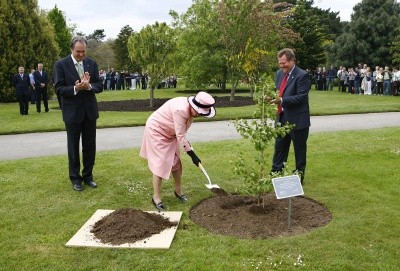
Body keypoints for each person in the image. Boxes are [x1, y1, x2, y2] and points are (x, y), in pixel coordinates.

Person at [140, 91, 216, 211]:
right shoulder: (180, 110)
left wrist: (191, 151)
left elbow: (181, 134)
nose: (198, 115)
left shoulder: (190, 110)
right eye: (198, 112)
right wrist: (193, 155)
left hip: (171, 133)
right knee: (160, 164)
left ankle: (178, 191)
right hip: (157, 131)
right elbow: (181, 136)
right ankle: (156, 197)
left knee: (176, 163)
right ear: (193, 105)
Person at [53, 36, 103, 191]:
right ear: (71, 49)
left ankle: (88, 176)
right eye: (78, 52)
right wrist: (76, 88)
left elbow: (99, 86)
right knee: (73, 147)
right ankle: (75, 179)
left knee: (89, 146)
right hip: (72, 113)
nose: (81, 54)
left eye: (83, 51)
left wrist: (88, 86)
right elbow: (59, 89)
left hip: (89, 112)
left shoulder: (91, 63)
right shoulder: (61, 64)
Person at [269, 48, 311, 184]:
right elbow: (278, 91)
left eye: (284, 63)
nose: (282, 66)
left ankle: (299, 176)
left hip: (298, 120)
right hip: (281, 117)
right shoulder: (279, 74)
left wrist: (281, 100)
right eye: (280, 63)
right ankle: (276, 173)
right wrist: (271, 96)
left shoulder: (302, 75)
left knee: (299, 150)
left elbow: (301, 98)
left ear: (293, 60)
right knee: (279, 147)